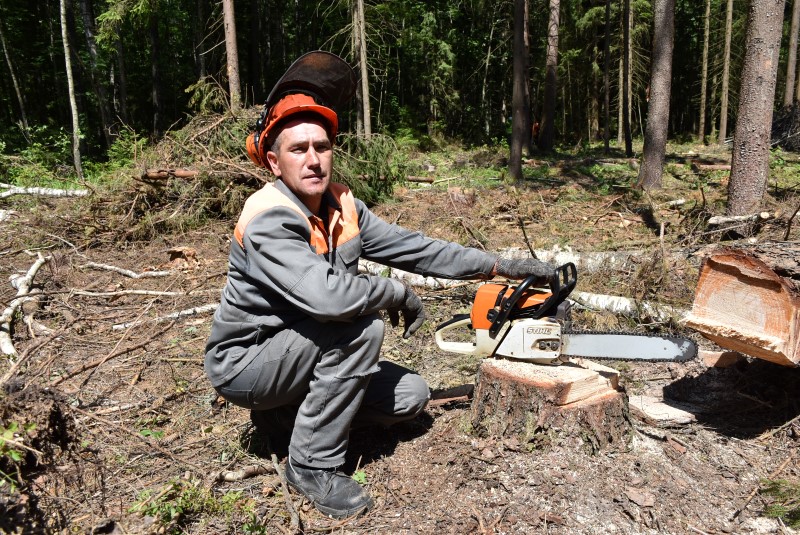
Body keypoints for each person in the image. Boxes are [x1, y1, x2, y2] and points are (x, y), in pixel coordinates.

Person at [204, 51, 556, 520]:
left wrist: (498, 265)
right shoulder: (269, 217)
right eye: (298, 149)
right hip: (248, 362)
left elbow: (416, 248)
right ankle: (311, 466)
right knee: (360, 329)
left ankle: (284, 417)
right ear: (273, 161)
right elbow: (329, 299)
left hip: (303, 350)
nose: (313, 160)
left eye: (322, 146)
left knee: (410, 397)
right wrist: (393, 292)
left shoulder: (342, 205)